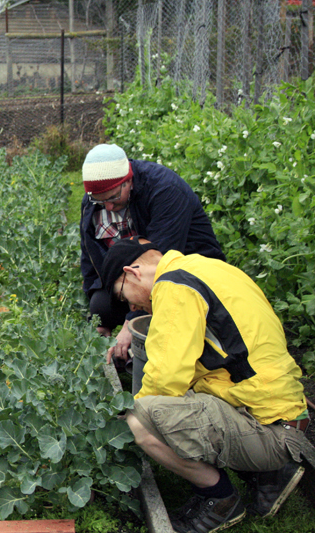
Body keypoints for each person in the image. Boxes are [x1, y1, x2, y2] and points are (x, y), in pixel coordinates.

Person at [101, 237, 315, 533]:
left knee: (142, 420)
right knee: (179, 399)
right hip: (286, 414)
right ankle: (268, 472)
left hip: (272, 431)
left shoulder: (174, 286)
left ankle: (220, 500)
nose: (133, 305)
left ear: (133, 272)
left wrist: (122, 421)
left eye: (124, 297)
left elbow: (165, 377)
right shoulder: (207, 267)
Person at [80, 143, 226, 365]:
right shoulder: (94, 202)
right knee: (100, 306)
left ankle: (151, 353)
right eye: (100, 200)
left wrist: (133, 322)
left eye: (112, 197)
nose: (107, 207)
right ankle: (133, 349)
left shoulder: (165, 190)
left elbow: (161, 265)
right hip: (135, 280)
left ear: (128, 180)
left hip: (188, 277)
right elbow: (89, 257)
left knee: (167, 319)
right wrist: (99, 321)